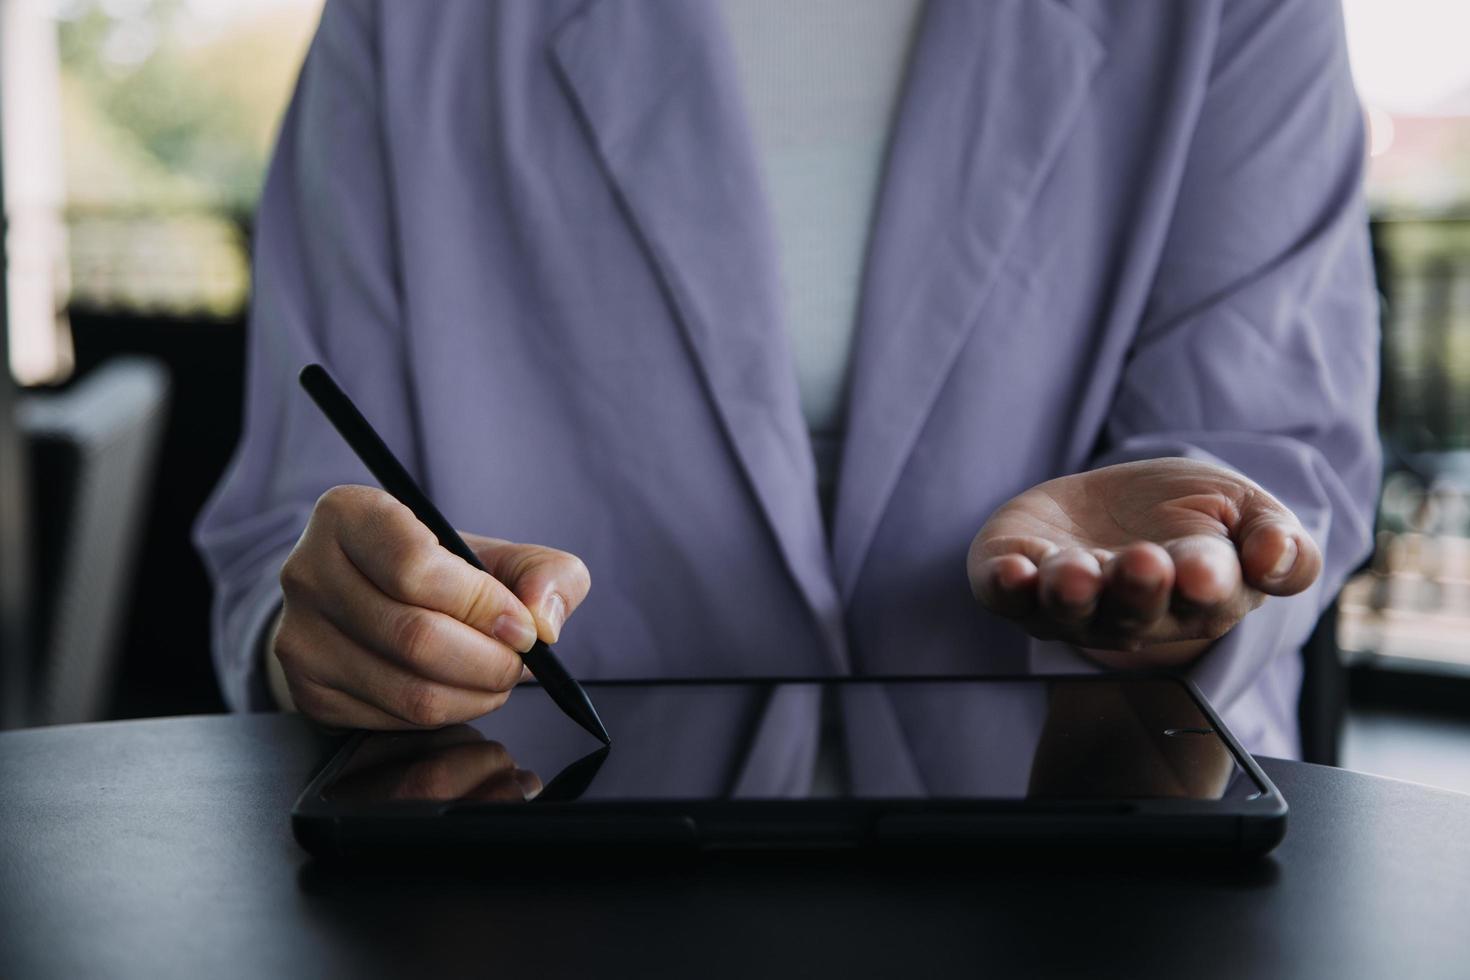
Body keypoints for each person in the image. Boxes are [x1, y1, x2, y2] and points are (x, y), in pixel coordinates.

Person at [196, 0, 1379, 758]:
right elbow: (288, 535)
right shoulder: (400, 24)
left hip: (1103, 883)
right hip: (546, 871)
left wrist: (1183, 556)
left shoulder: (1244, 14)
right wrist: (332, 626)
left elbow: (1276, 440)